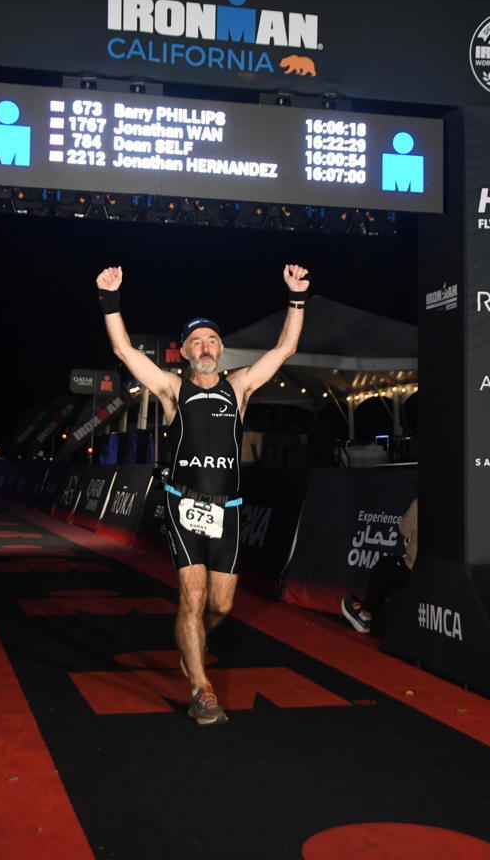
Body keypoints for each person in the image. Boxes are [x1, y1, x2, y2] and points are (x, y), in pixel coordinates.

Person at [97, 264, 309, 724]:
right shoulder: (173, 389)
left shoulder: (240, 386)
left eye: (211, 340)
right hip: (183, 505)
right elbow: (123, 349)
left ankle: (190, 643)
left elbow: (285, 348)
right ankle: (201, 689)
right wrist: (109, 299)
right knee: (192, 598)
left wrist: (296, 298)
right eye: (196, 342)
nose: (205, 347)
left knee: (221, 605)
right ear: (185, 351)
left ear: (221, 348)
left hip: (228, 510)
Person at [341, 498, 418, 634]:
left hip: (414, 571)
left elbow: (404, 529)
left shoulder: (420, 503)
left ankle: (365, 616)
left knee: (385, 565)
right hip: (439, 575)